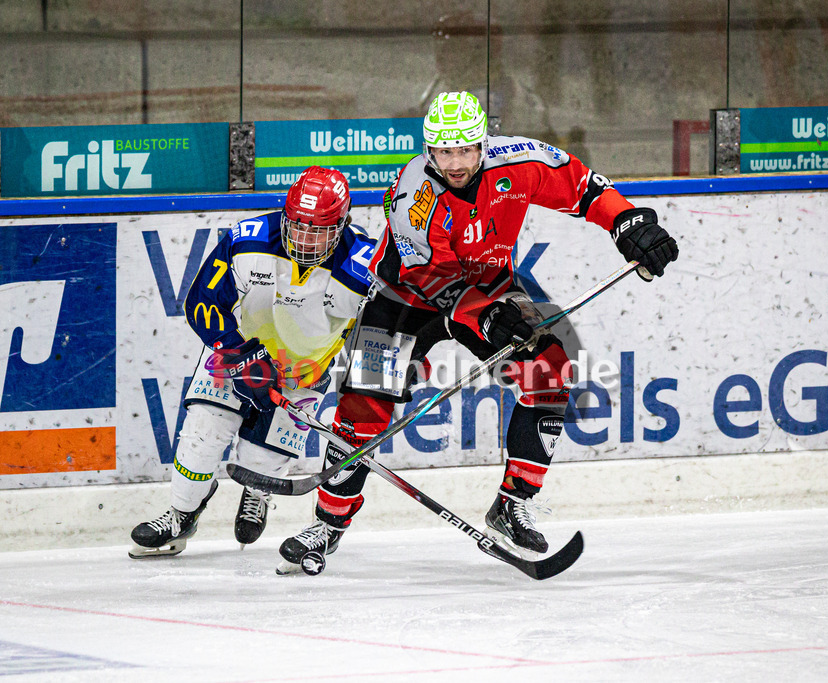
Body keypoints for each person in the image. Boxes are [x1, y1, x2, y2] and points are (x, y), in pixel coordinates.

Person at [277, 91, 678, 573]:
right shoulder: (412, 193)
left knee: (550, 373)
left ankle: (512, 505)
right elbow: (429, 276)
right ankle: (327, 524)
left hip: (491, 285)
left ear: (482, 143)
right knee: (364, 401)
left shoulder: (521, 161)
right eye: (444, 152)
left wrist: (627, 221)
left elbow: (584, 187)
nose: (456, 162)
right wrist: (485, 315)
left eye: (465, 149)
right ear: (430, 149)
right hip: (405, 297)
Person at [129, 166, 375, 558]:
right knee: (201, 439)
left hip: (301, 374)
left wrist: (372, 386)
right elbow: (202, 303)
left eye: (319, 231)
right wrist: (239, 355)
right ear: (284, 215)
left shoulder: (365, 264)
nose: (306, 240)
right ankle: (181, 514)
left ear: (343, 224)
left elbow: (383, 330)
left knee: (262, 461)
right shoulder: (248, 240)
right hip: (235, 356)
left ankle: (257, 490)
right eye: (298, 226)